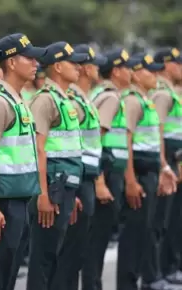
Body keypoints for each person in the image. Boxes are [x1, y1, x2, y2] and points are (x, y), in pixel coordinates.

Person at [0, 33, 45, 290]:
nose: (35, 63)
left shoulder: (19, 101)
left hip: (19, 199)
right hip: (3, 203)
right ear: (12, 63)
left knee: (9, 272)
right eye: (29, 57)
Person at [25, 41, 87, 290]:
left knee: (57, 256)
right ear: (58, 67)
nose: (79, 68)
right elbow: (38, 149)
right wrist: (42, 195)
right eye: (74, 63)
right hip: (51, 188)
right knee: (43, 258)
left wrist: (74, 194)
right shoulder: (45, 100)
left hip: (65, 187)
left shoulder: (64, 99)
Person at [117, 52, 177, 290]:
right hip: (138, 174)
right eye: (149, 71)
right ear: (135, 74)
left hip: (150, 171)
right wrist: (130, 180)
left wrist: (163, 168)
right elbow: (126, 141)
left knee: (145, 230)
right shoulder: (132, 101)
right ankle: (128, 284)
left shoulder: (146, 99)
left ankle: (145, 280)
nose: (155, 75)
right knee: (134, 234)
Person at [51, 44, 107, 290]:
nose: (97, 69)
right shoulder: (71, 102)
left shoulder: (84, 101)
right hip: (76, 179)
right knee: (70, 251)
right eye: (92, 64)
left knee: (78, 249)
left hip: (86, 178)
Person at [82, 48, 132, 290]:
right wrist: (100, 182)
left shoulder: (104, 94)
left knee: (97, 238)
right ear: (115, 71)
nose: (131, 71)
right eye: (126, 67)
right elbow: (95, 141)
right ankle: (93, 285)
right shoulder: (110, 97)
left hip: (109, 172)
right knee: (97, 239)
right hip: (106, 174)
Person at [151, 47, 182, 286]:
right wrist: (164, 164)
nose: (180, 67)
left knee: (172, 218)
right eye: (176, 63)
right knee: (164, 219)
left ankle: (169, 267)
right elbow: (158, 130)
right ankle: (161, 269)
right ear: (164, 65)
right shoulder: (162, 93)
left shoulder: (171, 91)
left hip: (174, 158)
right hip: (167, 159)